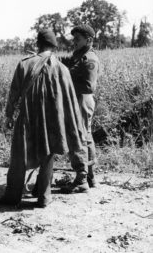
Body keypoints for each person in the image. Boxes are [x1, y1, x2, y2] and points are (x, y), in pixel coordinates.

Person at [0, 29, 88, 207]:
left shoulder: (25, 64)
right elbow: (68, 99)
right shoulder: (62, 68)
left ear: (37, 44)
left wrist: (8, 114)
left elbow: (14, 93)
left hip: (28, 117)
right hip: (53, 120)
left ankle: (13, 196)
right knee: (48, 155)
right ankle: (44, 197)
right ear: (54, 46)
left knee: (19, 155)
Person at [60, 24, 100, 192]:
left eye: (77, 39)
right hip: (79, 101)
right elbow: (66, 62)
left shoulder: (89, 58)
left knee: (78, 138)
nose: (73, 42)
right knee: (86, 137)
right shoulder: (79, 55)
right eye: (73, 38)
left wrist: (68, 84)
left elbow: (89, 86)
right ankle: (90, 177)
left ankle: (81, 179)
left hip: (82, 101)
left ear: (89, 40)